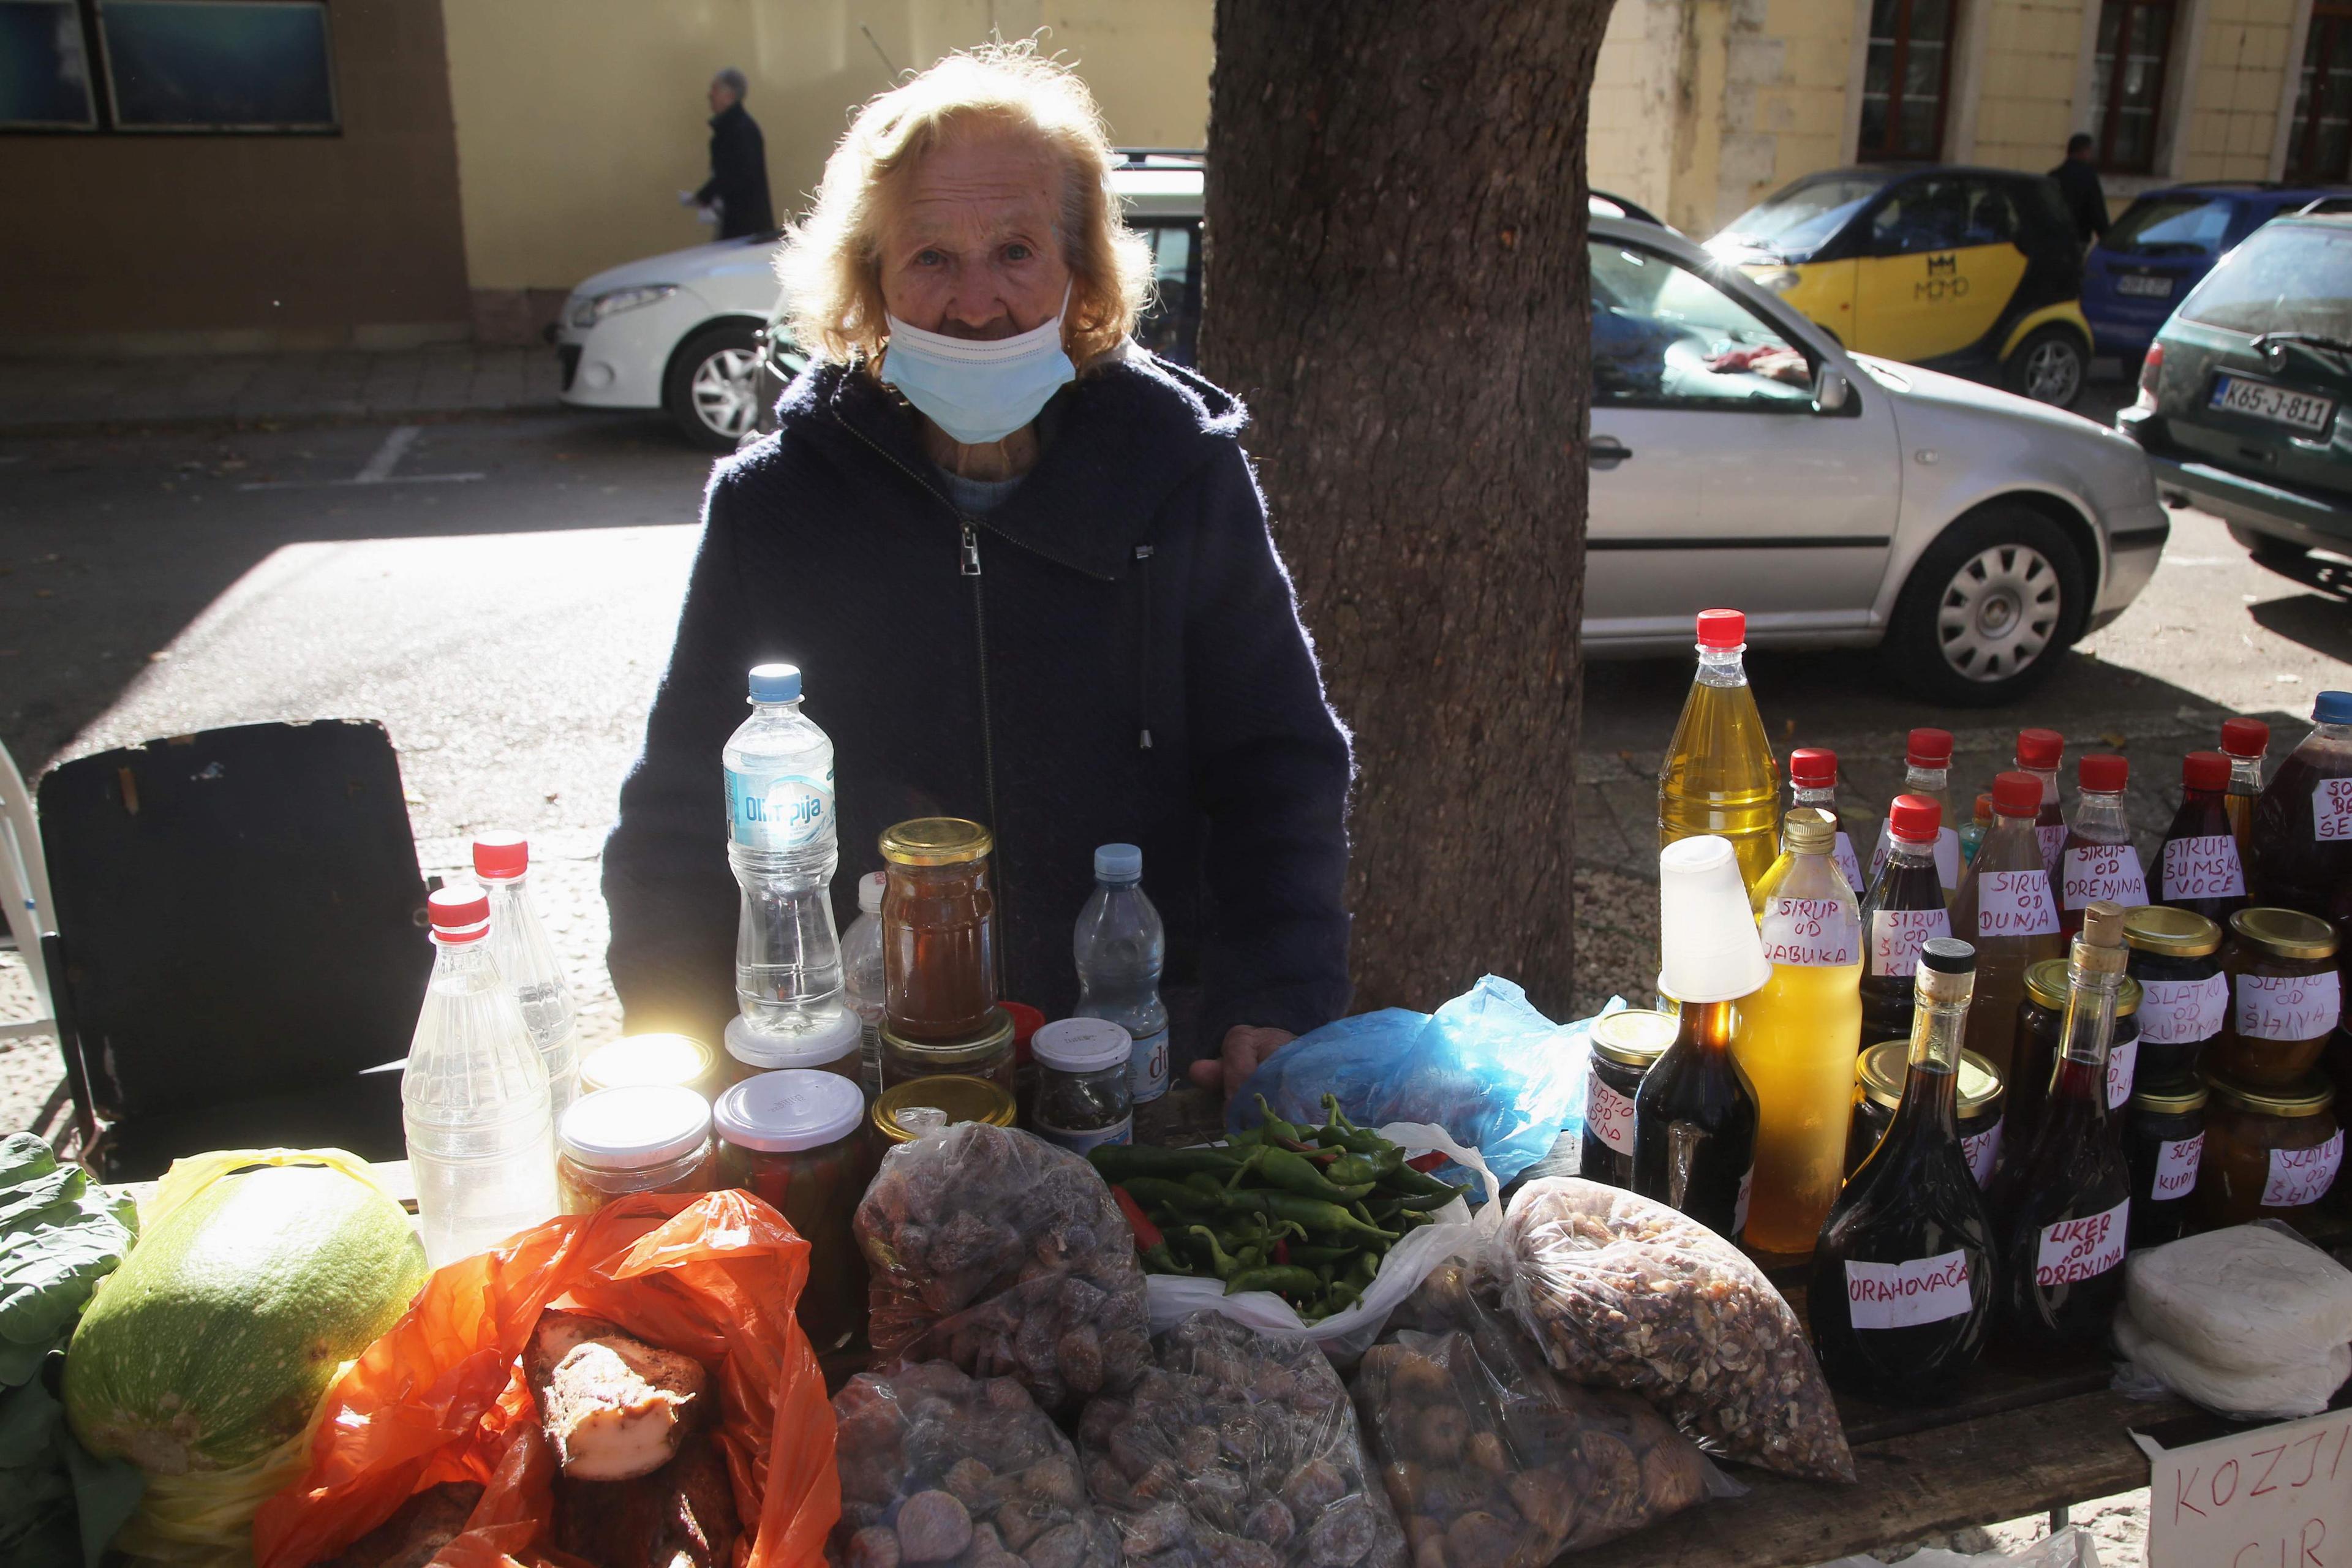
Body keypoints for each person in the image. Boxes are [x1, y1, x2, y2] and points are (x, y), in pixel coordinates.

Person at [603, 43, 1352, 1102]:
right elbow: (681, 809)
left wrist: (1274, 995)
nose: (975, 303)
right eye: (930, 258)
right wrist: (685, 1053)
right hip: (856, 1078)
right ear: (869, 280)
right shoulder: (775, 507)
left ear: (1081, 272)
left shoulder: (1181, 476)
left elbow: (1279, 765)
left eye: (1014, 250)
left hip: (1138, 1060)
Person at [689, 67, 774, 239]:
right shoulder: (732, 129)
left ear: (730, 97)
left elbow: (737, 174)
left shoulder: (740, 131)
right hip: (739, 225)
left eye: (715, 90)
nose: (710, 95)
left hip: (746, 229)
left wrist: (706, 195)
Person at [2049, 132, 2108, 247]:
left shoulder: (2055, 175)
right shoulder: (2088, 176)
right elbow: (2096, 208)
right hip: (2079, 235)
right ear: (2084, 151)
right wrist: (2106, 236)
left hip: (2055, 235)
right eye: (2090, 151)